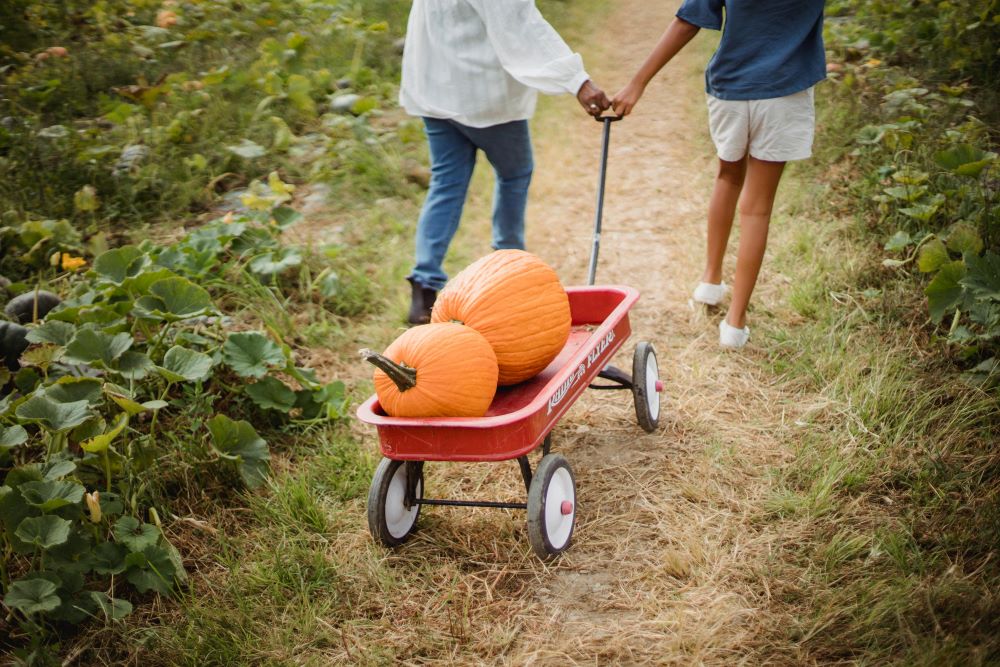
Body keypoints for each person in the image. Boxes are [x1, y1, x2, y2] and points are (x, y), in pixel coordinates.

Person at [612, 0, 826, 348]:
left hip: (730, 88)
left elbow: (688, 21)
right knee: (757, 208)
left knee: (727, 178)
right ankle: (734, 324)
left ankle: (710, 282)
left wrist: (638, 84)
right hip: (784, 92)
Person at [400, 0, 611, 324]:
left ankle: (424, 287)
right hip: (482, 96)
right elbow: (520, 24)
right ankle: (508, 272)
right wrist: (578, 81)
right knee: (514, 174)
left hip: (435, 90)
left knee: (447, 183)